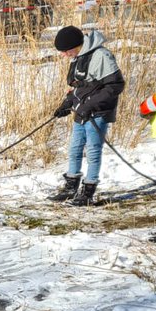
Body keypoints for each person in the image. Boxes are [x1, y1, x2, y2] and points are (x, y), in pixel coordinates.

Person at [47, 25, 125, 207]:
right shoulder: (78, 57)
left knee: (93, 150)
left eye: (65, 51)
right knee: (74, 148)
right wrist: (67, 103)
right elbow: (80, 87)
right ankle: (70, 187)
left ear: (75, 45)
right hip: (81, 111)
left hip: (98, 112)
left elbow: (115, 85)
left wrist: (89, 105)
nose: (64, 55)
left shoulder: (101, 56)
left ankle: (88, 191)